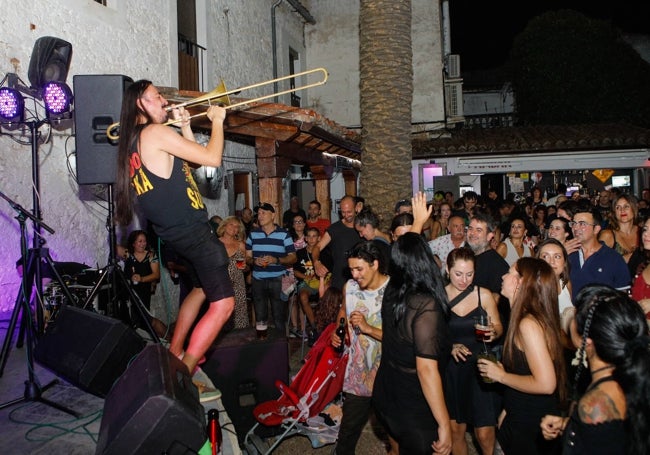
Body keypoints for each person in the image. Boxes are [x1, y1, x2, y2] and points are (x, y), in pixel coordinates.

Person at [114, 80, 234, 383]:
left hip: (173, 234)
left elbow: (188, 165)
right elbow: (211, 159)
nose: (165, 103)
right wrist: (218, 121)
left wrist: (186, 128)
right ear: (140, 103)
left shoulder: (135, 142)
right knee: (224, 305)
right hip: (192, 231)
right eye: (157, 98)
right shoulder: (155, 132)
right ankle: (182, 372)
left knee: (200, 290)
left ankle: (176, 350)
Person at [540, 285, 650, 455]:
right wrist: (569, 425)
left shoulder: (597, 402)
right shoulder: (631, 375)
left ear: (588, 342)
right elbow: (613, 434)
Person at [373, 233, 452, 455]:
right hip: (414, 406)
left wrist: (411, 233)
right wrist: (444, 423)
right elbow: (426, 370)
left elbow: (404, 254)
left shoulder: (391, 291)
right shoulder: (426, 304)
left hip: (386, 394)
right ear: (425, 259)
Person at [478, 257, 566, 455]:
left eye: (509, 272)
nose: (503, 276)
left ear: (521, 282)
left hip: (531, 424)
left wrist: (500, 376)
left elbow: (546, 384)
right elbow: (524, 370)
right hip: (518, 415)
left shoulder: (528, 324)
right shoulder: (522, 318)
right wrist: (508, 410)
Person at [330, 241, 392, 455]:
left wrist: (367, 328)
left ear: (375, 264)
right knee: (347, 432)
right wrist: (337, 331)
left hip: (389, 373)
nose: (354, 275)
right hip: (358, 373)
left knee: (396, 432)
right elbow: (343, 312)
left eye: (359, 269)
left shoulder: (393, 291)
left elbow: (402, 338)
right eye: (351, 270)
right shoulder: (350, 287)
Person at [444, 247, 503, 455]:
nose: (464, 280)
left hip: (480, 369)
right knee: (455, 431)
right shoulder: (439, 297)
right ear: (447, 270)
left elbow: (498, 326)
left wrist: (492, 333)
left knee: (485, 433)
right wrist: (449, 345)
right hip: (452, 371)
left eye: (469, 274)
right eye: (458, 274)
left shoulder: (483, 295)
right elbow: (432, 335)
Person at [245, 202, 297, 337]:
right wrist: (253, 261)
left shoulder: (284, 234)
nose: (260, 216)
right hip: (258, 279)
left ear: (273, 215)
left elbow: (293, 258)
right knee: (260, 315)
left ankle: (281, 347)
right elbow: (247, 258)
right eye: (259, 213)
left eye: (264, 213)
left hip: (278, 279)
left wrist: (276, 260)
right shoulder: (253, 235)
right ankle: (263, 347)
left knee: (279, 316)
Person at [568, 204, 630, 299]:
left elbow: (622, 296)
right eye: (573, 223)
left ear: (596, 229)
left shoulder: (613, 258)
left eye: (582, 224)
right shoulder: (568, 255)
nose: (576, 228)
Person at [123, 229, 167, 338]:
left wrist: (141, 279)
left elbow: (157, 275)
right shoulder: (128, 255)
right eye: (140, 241)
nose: (143, 244)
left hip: (143, 293)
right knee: (134, 321)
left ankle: (169, 339)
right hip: (128, 294)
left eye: (144, 241)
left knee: (147, 319)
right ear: (133, 243)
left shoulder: (151, 256)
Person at [312, 195, 361, 291]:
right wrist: (316, 262)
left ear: (356, 208)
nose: (346, 215)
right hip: (340, 280)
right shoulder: (335, 229)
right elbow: (317, 247)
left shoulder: (363, 227)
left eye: (349, 212)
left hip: (360, 279)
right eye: (343, 212)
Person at [216, 216, 249, 329]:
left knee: (239, 314)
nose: (234, 228)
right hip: (220, 285)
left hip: (238, 286)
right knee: (220, 314)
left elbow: (245, 268)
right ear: (224, 226)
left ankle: (240, 342)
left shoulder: (241, 245)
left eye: (237, 227)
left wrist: (245, 267)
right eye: (231, 224)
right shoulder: (215, 243)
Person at [536, 239, 574, 336]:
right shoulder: (532, 289)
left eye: (557, 257)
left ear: (564, 262)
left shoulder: (566, 284)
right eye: (545, 256)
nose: (551, 262)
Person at [598, 194, 639, 263]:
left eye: (626, 207)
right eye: (618, 207)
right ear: (614, 212)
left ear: (634, 208)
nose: (622, 210)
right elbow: (599, 263)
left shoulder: (644, 232)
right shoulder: (608, 235)